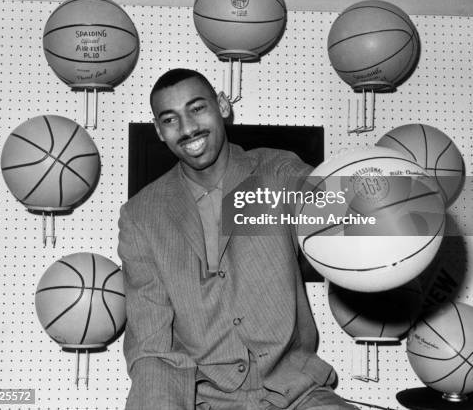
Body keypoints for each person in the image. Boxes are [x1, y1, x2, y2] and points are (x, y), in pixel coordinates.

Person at [118, 68, 354, 410]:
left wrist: (390, 203)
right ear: (158, 130)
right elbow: (152, 348)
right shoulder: (141, 216)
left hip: (296, 393)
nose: (187, 129)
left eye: (197, 109)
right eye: (170, 119)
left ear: (223, 106)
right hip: (202, 399)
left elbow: (344, 207)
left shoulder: (277, 173)